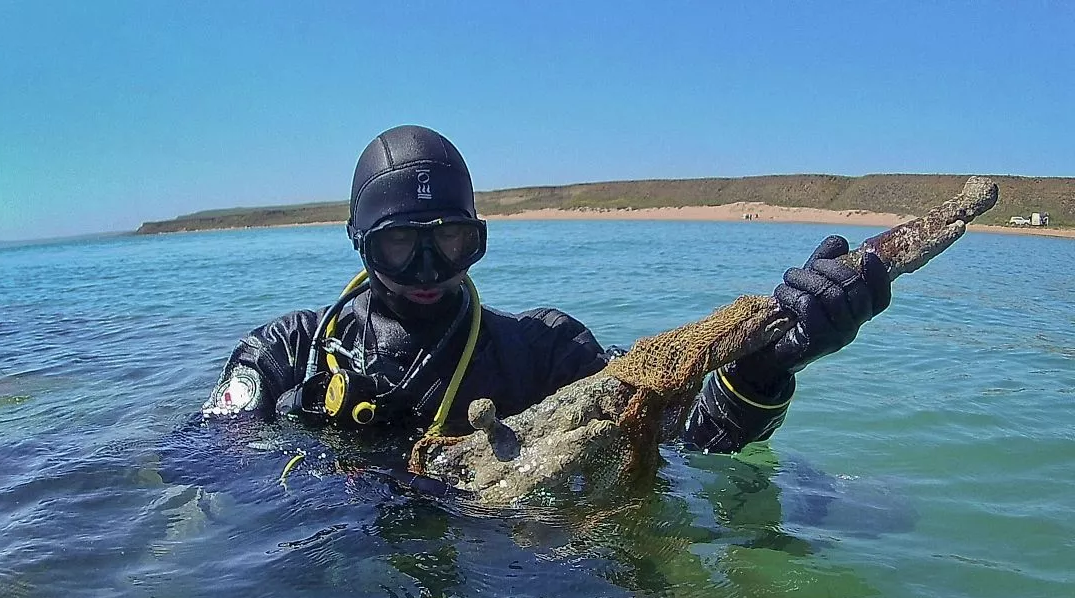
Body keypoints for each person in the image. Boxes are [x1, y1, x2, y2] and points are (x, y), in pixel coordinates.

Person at [202, 125, 890, 455]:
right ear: (359, 241)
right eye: (399, 245)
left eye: (448, 242)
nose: (426, 270)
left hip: (504, 567)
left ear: (477, 238)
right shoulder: (287, 348)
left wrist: (765, 368)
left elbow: (685, 444)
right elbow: (208, 458)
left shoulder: (544, 352)